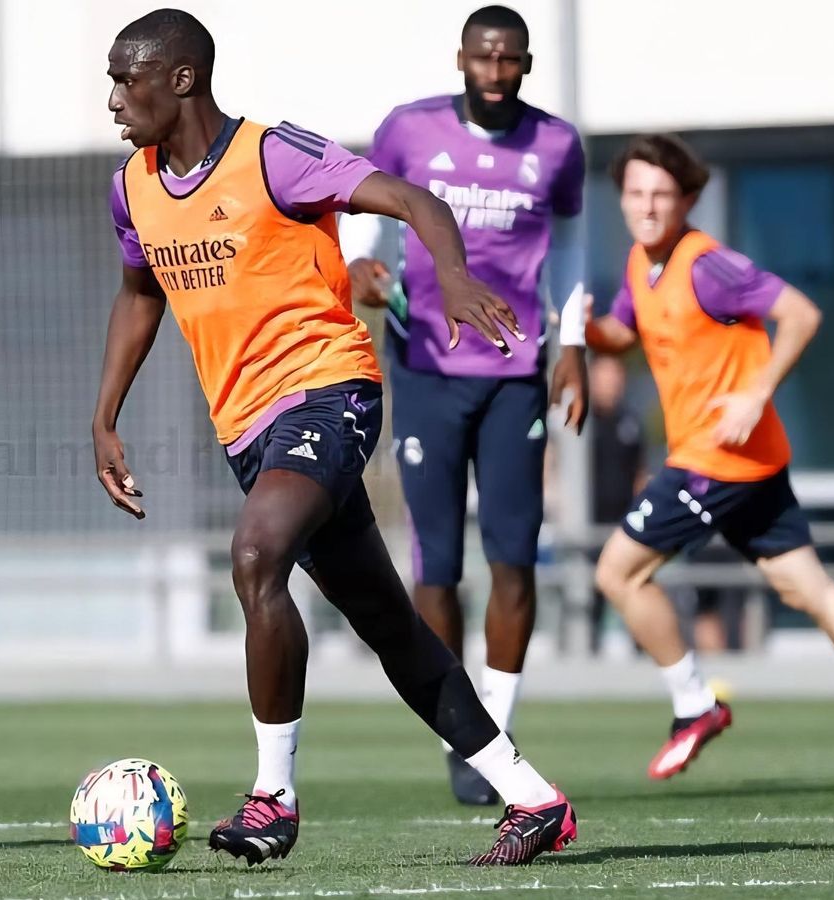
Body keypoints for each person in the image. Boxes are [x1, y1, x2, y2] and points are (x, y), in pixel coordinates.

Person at [93, 8, 576, 867]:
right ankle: (533, 797)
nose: (113, 100)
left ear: (181, 80)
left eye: (125, 79)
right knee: (390, 624)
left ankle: (272, 799)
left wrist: (453, 278)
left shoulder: (273, 155)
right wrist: (105, 416)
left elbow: (411, 197)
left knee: (254, 556)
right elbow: (141, 293)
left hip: (328, 390)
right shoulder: (131, 185)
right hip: (247, 429)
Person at [587, 133, 834, 788]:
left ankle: (694, 706)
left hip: (713, 460)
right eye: (635, 193)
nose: (647, 206)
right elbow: (621, 331)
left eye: (662, 194)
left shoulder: (708, 265)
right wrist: (583, 329)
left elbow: (801, 314)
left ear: (688, 198)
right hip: (745, 465)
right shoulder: (643, 262)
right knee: (806, 586)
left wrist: (757, 390)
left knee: (618, 574)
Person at [341, 4, 588, 806]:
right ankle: (466, 735)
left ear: (525, 64)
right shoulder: (408, 132)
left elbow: (573, 243)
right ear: (461, 60)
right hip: (424, 369)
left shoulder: (556, 145)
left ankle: (503, 722)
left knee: (514, 559)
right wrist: (362, 272)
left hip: (516, 372)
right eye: (482, 57)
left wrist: (574, 342)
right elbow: (367, 213)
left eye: (508, 58)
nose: (494, 70)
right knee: (436, 566)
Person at [585, 355, 646, 655]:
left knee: (634, 590)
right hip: (587, 525)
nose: (612, 384)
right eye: (606, 376)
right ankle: (585, 657)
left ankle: (645, 655)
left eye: (617, 377)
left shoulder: (631, 422)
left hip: (624, 526)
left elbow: (640, 474)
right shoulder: (579, 420)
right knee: (589, 597)